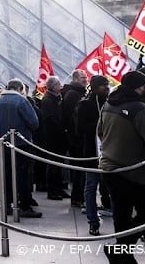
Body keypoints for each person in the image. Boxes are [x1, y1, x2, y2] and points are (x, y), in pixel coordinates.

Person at [98, 69, 145, 264]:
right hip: (137, 171)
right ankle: (121, 250)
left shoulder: (108, 104)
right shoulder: (142, 110)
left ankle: (123, 254)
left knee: (121, 215)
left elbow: (100, 132)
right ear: (140, 88)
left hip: (110, 168)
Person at [0, 78, 41, 218]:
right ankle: (24, 205)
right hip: (21, 144)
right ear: (20, 89)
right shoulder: (21, 101)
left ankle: (5, 203)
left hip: (3, 143)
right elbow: (34, 122)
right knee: (23, 175)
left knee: (5, 174)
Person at [74, 75, 110, 236]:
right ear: (95, 87)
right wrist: (100, 126)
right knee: (90, 187)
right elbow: (79, 129)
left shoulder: (111, 104)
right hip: (92, 152)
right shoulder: (86, 105)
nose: (107, 88)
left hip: (110, 152)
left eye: (107, 85)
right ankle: (93, 221)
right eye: (103, 85)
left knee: (111, 186)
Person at [61, 69, 88, 207]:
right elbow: (72, 118)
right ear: (76, 78)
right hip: (76, 138)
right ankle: (77, 198)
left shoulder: (74, 93)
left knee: (79, 170)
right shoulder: (73, 94)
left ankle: (78, 197)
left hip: (75, 137)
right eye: (83, 77)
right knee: (79, 170)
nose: (86, 79)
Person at [39, 75, 69, 200]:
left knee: (59, 164)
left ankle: (58, 188)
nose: (60, 86)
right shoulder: (48, 100)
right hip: (53, 138)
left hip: (58, 137)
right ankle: (52, 190)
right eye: (58, 85)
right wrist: (62, 129)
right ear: (53, 86)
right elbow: (49, 119)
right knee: (53, 165)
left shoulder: (56, 98)